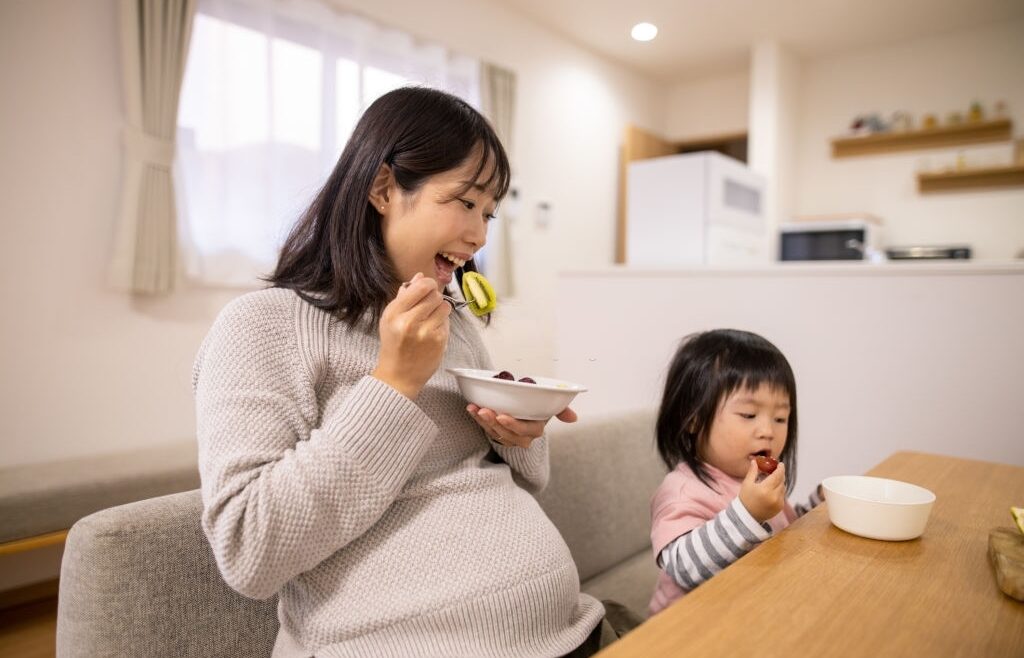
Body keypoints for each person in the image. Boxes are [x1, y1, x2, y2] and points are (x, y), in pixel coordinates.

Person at [193, 86, 636, 658]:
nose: (479, 235)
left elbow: (520, 482)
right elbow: (249, 549)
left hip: (569, 629)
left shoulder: (452, 322)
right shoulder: (263, 326)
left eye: (489, 213)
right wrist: (393, 383)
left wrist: (519, 435)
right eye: (464, 202)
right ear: (382, 189)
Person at [647, 329, 823, 616]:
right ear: (693, 419)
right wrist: (749, 513)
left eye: (780, 418)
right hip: (689, 627)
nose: (767, 431)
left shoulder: (758, 483)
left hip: (752, 611)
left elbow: (782, 534)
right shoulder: (682, 490)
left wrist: (816, 506)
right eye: (748, 415)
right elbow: (683, 567)